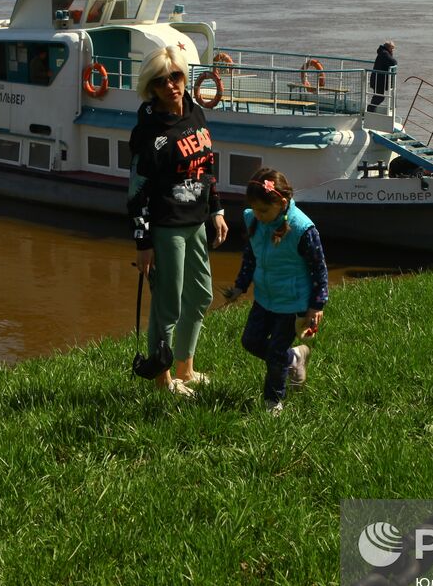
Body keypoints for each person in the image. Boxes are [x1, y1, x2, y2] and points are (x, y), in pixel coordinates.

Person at [128, 44, 228, 397]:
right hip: (166, 226)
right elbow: (137, 192)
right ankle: (163, 378)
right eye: (161, 81)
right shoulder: (149, 134)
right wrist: (143, 244)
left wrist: (215, 209)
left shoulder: (195, 113)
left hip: (196, 221)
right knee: (168, 305)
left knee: (200, 295)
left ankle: (186, 367)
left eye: (176, 76)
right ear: (150, 88)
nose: (171, 85)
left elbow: (206, 166)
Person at [223, 169, 329, 413]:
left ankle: (273, 403)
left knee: (274, 353)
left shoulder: (303, 229)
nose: (258, 216)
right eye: (255, 209)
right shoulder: (254, 220)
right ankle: (294, 359)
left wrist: (316, 306)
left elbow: (319, 270)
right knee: (250, 341)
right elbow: (251, 256)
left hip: (293, 303)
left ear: (282, 203)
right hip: (264, 298)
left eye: (263, 211)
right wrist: (241, 285)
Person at [368, 41, 397, 112]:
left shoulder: (382, 52)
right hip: (379, 80)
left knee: (378, 96)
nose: (393, 50)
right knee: (380, 97)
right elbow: (394, 62)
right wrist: (391, 54)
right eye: (392, 48)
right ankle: (369, 110)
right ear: (388, 48)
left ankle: (370, 110)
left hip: (377, 78)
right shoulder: (385, 53)